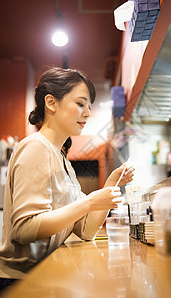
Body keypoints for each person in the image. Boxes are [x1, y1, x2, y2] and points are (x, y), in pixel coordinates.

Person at [0, 67, 134, 292]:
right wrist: (89, 202)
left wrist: (110, 186)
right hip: (19, 280)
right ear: (51, 103)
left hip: (45, 273)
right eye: (80, 104)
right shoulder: (36, 147)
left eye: (89, 106)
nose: (88, 113)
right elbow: (24, 228)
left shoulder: (61, 158)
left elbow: (85, 230)